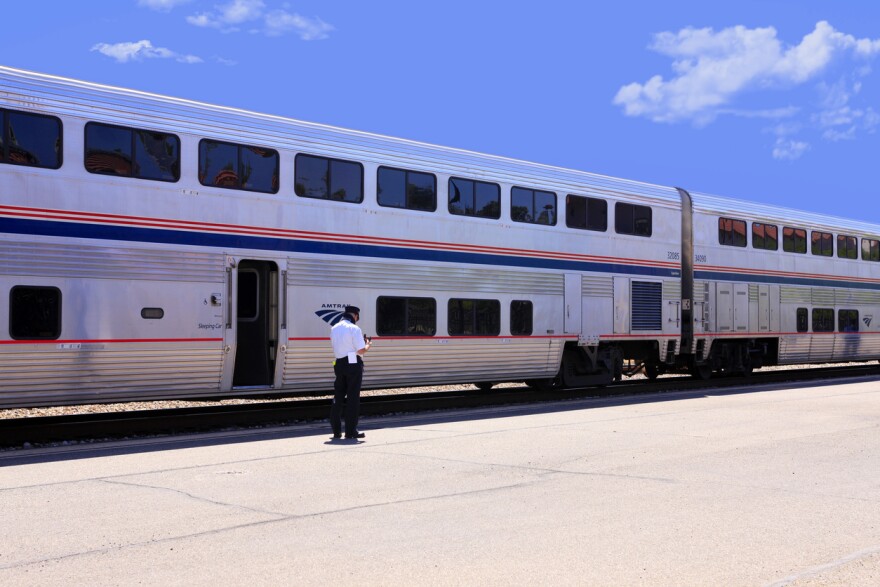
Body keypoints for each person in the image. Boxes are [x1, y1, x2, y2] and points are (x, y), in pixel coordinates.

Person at [329, 305, 372, 440]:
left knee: (338, 396)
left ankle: (336, 432)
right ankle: (350, 431)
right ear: (355, 316)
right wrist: (368, 344)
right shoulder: (354, 328)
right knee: (353, 398)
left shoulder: (334, 328)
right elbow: (360, 351)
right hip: (352, 363)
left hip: (339, 363)